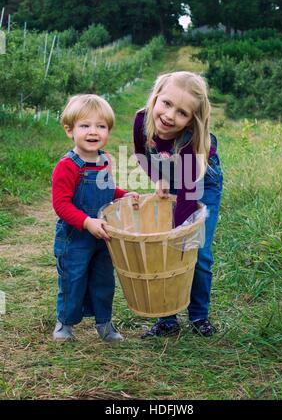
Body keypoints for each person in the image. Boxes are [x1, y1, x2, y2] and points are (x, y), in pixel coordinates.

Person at [133, 71, 223, 338]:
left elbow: (188, 192)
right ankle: (167, 320)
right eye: (167, 103)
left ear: (191, 120)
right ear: (156, 96)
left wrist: (180, 234)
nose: (170, 115)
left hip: (202, 185)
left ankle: (198, 315)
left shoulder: (189, 142)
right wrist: (157, 177)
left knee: (197, 250)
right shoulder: (142, 120)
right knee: (166, 252)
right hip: (174, 180)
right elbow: (141, 154)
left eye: (182, 113)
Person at [52, 94, 137, 343]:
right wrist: (86, 222)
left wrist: (124, 195)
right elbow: (61, 204)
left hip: (103, 236)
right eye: (85, 126)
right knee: (73, 279)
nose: (93, 132)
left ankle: (104, 323)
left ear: (108, 131)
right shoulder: (67, 166)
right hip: (75, 238)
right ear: (70, 130)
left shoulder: (105, 160)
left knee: (103, 280)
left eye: (101, 126)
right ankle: (65, 322)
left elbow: (108, 190)